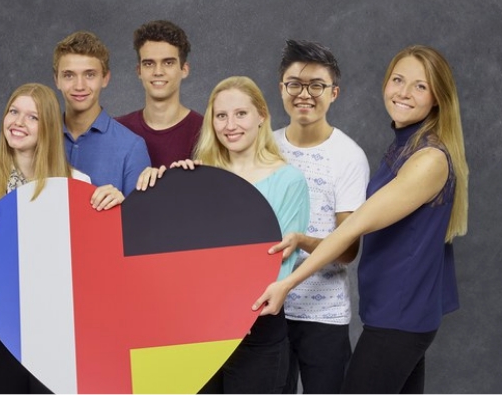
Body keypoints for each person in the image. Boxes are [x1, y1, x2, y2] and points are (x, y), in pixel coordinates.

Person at [254, 45, 469, 394]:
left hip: (401, 315)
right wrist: (302, 242)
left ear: (438, 98)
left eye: (420, 86)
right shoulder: (405, 146)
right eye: (398, 79)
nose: (403, 92)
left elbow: (353, 227)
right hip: (394, 311)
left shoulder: (428, 158)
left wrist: (286, 285)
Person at [138, 76, 310, 393]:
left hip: (256, 333)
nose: (230, 125)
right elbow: (172, 253)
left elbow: (279, 265)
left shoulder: (289, 181)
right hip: (197, 335)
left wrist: (230, 314)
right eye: (221, 116)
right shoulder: (198, 175)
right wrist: (157, 188)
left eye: (241, 114)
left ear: (262, 116)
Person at [0, 83, 93, 393]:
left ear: (48, 126)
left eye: (32, 117)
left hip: (57, 342)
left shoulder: (77, 184)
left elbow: (86, 269)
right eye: (13, 112)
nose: (18, 122)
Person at [270, 39, 369, 394]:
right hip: (266, 309)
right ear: (282, 88)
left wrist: (301, 241)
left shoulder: (348, 157)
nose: (304, 94)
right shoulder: (264, 145)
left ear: (334, 93)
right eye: (294, 84)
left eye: (317, 86)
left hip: (323, 314)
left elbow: (347, 250)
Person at [53, 30, 151, 202]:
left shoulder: (131, 148)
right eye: (69, 75)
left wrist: (123, 207)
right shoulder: (38, 139)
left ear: (105, 78)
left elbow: (143, 223)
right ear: (57, 80)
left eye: (90, 75)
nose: (79, 86)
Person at [115, 20, 203, 167]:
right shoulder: (118, 130)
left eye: (168, 63)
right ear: (139, 71)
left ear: (184, 70)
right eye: (149, 64)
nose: (158, 72)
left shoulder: (204, 131)